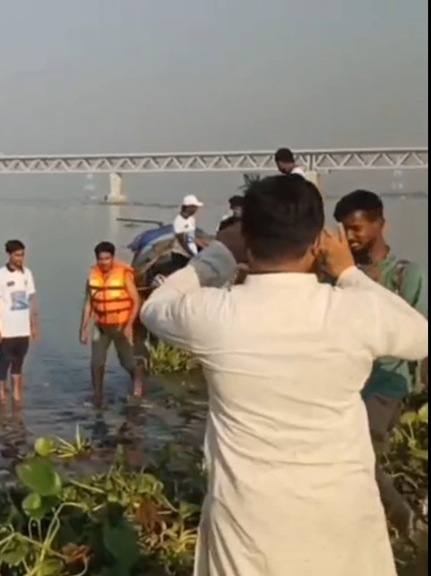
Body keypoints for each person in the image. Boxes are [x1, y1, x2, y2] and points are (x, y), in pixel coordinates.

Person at [140, 174, 427, 575]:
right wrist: (347, 273)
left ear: (249, 240)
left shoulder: (216, 316)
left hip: (247, 533)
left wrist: (219, 255)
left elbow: (155, 308)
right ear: (317, 243)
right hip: (343, 525)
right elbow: (419, 337)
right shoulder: (352, 312)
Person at [333, 189, 428, 541]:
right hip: (348, 384)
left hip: (389, 383)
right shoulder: (338, 277)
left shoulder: (407, 275)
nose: (350, 237)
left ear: (380, 224)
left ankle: (406, 527)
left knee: (360, 457)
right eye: (344, 230)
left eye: (356, 228)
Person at [79, 241, 145, 403]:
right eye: (101, 259)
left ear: (113, 258)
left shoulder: (123, 274)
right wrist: (83, 328)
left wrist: (129, 325)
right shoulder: (93, 276)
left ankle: (138, 389)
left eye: (107, 259)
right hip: (101, 326)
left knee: (127, 362)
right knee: (96, 363)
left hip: (121, 325)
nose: (104, 262)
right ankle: (97, 395)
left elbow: (136, 301)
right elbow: (89, 303)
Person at [0, 239, 39, 404]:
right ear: (10, 255)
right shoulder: (0, 275)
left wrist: (34, 325)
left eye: (22, 255)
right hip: (6, 329)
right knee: (4, 362)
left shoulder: (27, 274)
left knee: (18, 364)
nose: (20, 259)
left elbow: (31, 300)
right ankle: (1, 397)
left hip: (22, 328)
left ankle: (17, 395)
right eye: (17, 255)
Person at [170, 194, 204, 271]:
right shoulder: (179, 221)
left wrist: (200, 247)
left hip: (190, 253)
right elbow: (181, 240)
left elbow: (191, 236)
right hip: (180, 255)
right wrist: (191, 254)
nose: (196, 209)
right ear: (188, 207)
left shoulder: (191, 219)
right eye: (195, 207)